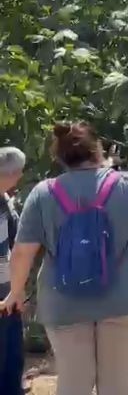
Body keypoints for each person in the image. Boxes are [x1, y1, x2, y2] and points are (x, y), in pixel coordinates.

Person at [0, 122, 128, 395]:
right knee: (116, 380)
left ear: (60, 157)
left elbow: (21, 252)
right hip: (124, 298)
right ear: (97, 149)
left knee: (74, 382)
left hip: (64, 304)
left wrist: (15, 292)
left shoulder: (42, 194)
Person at [0, 147, 26, 395]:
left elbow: (14, 243)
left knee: (12, 351)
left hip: (7, 288)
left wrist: (17, 288)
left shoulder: (5, 200)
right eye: (19, 172)